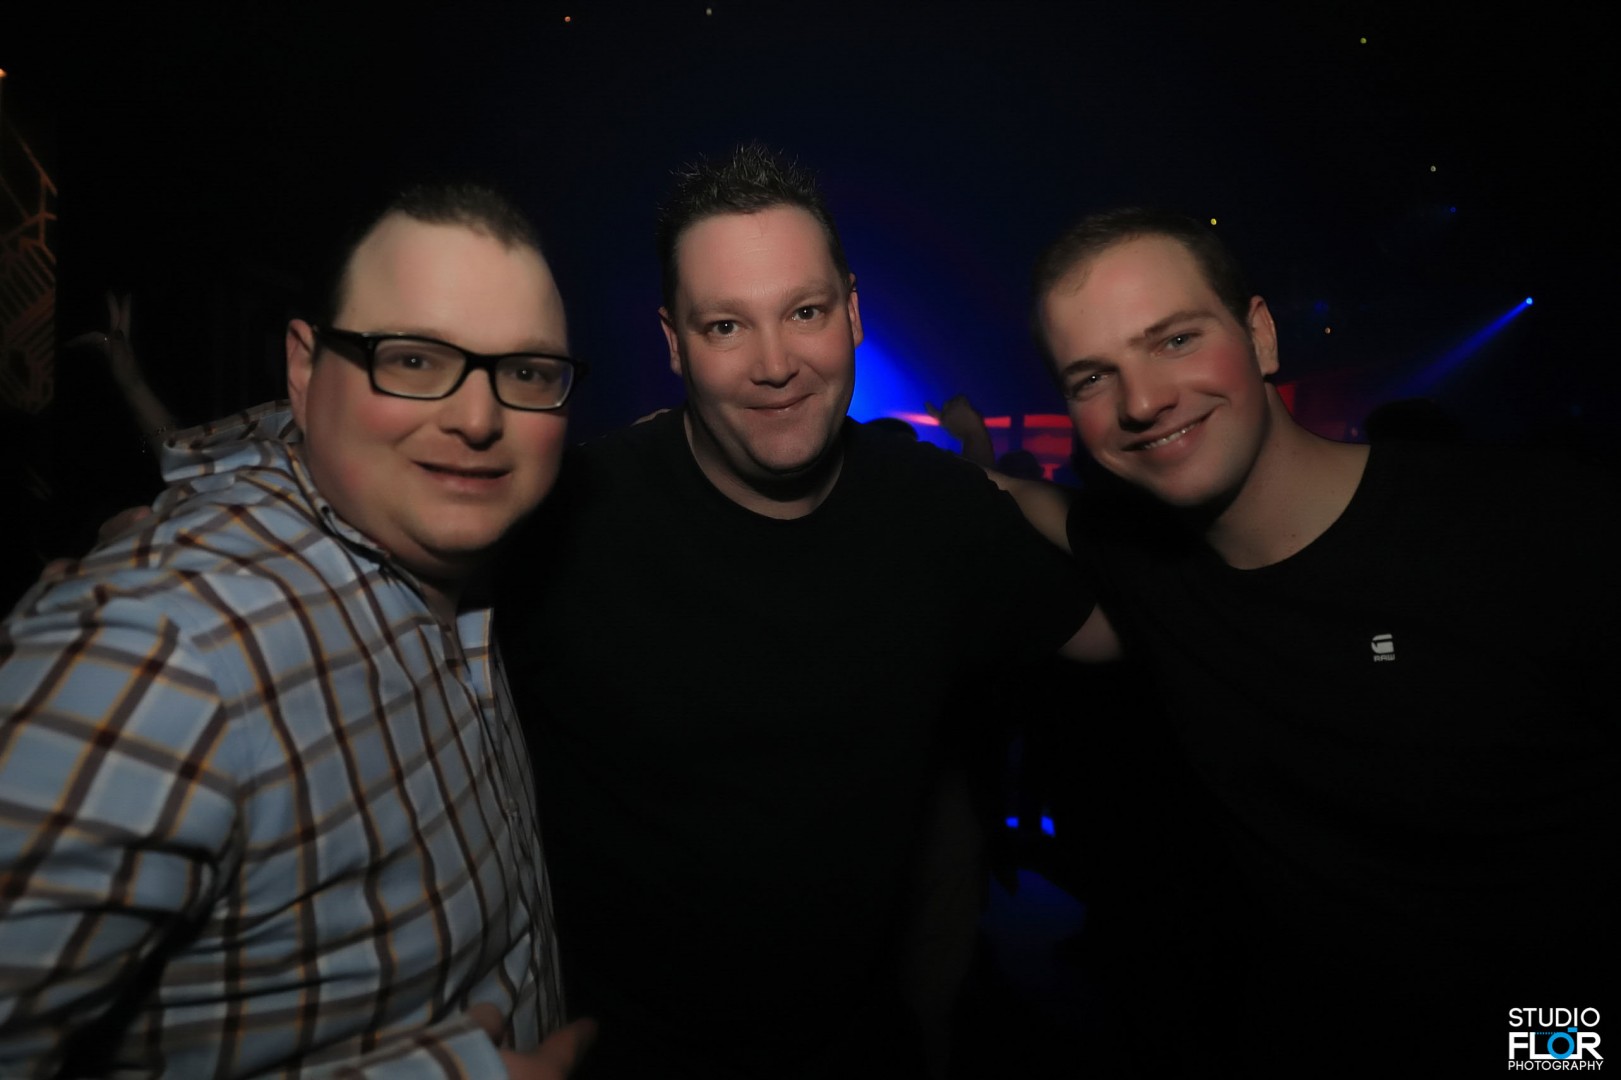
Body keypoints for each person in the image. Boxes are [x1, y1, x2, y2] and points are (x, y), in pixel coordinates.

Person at [500, 145, 1096, 1078]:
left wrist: (1030, 490)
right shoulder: (568, 520)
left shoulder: (932, 509)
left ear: (852, 312)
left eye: (804, 312)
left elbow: (1153, 623)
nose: (774, 364)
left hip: (857, 1049)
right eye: (725, 325)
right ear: (673, 342)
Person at [0, 183, 594, 1077]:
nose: (478, 419)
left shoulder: (443, 543)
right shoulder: (162, 651)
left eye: (528, 373)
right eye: (412, 359)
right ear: (306, 367)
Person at [1017, 207, 1617, 1069]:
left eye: (1176, 340)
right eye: (1090, 379)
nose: (1142, 401)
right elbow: (1022, 501)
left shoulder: (1537, 526)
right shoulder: (1147, 565)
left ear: (1259, 336)